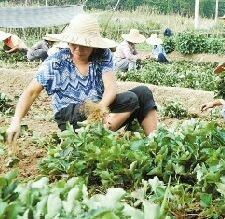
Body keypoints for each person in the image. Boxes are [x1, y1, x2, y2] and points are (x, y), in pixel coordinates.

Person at [5, 13, 158, 147]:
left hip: (98, 108)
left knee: (141, 94)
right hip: (70, 114)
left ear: (93, 45)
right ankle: (92, 140)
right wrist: (16, 120)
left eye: (84, 45)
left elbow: (111, 89)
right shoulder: (56, 61)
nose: (78, 49)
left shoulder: (102, 55)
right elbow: (31, 92)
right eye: (74, 44)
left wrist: (99, 110)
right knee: (91, 107)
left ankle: (154, 143)